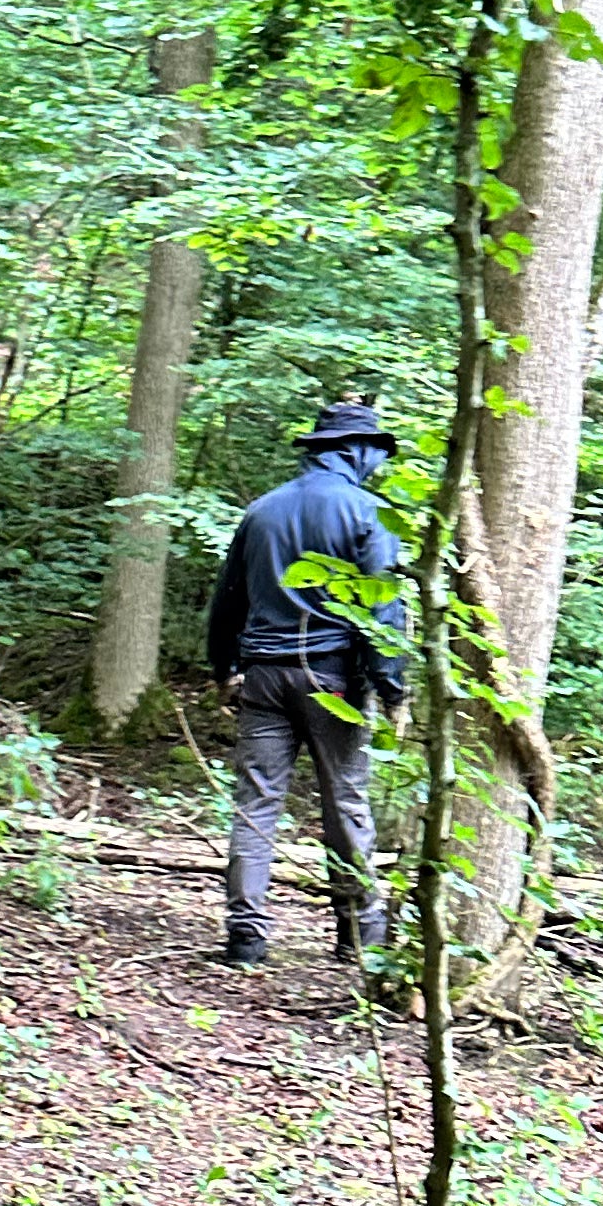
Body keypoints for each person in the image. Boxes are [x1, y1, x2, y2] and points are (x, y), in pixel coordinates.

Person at [203, 394, 406, 969]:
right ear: (355, 451)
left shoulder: (262, 510)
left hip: (262, 675)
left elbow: (227, 602)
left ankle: (246, 936)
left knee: (256, 801)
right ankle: (360, 934)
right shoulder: (369, 514)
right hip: (333, 678)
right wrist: (390, 685)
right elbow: (381, 608)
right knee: (344, 801)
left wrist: (225, 668)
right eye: (376, 451)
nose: (379, 462)